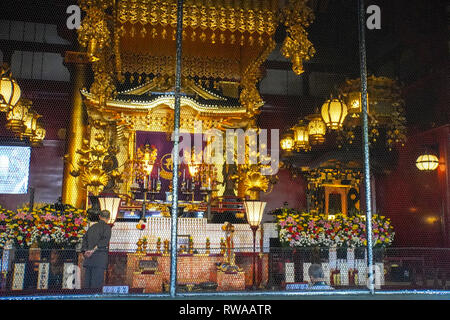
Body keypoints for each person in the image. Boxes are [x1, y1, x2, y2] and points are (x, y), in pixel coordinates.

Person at [81, 210, 112, 289]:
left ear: (99, 216)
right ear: (109, 218)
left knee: (87, 284)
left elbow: (84, 239)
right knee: (96, 286)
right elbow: (104, 241)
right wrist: (93, 250)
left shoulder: (92, 227)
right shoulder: (107, 227)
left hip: (88, 258)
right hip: (99, 259)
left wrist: (85, 251)